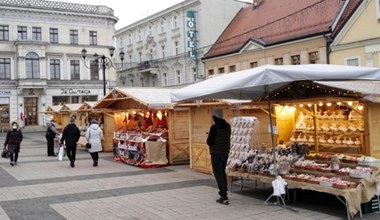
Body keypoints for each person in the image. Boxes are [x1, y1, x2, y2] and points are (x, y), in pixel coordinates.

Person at [206, 108, 231, 205]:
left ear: (215, 117)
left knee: (218, 174)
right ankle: (224, 192)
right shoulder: (227, 126)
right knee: (222, 173)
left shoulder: (214, 127)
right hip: (225, 152)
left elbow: (209, 142)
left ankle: (224, 196)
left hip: (216, 153)